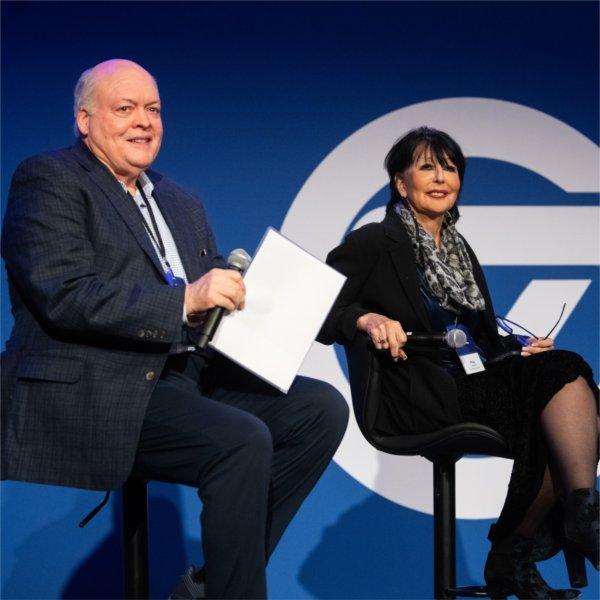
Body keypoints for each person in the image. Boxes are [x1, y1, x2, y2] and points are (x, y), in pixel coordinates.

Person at [1, 59, 348, 600]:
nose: (144, 121)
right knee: (240, 439)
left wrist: (257, 301)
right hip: (102, 385)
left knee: (320, 408)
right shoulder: (49, 179)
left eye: (154, 109)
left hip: (183, 372)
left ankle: (212, 587)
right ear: (84, 121)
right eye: (126, 108)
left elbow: (207, 295)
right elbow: (63, 294)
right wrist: (186, 298)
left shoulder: (180, 201)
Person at [319, 127, 598, 599]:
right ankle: (558, 530)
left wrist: (517, 352)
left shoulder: (459, 250)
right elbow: (316, 307)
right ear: (400, 183)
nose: (441, 176)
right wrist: (366, 318)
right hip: (420, 391)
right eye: (427, 165)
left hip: (475, 382)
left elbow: (481, 338)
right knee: (563, 378)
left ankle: (536, 541)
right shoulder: (373, 242)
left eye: (450, 167)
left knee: (564, 383)